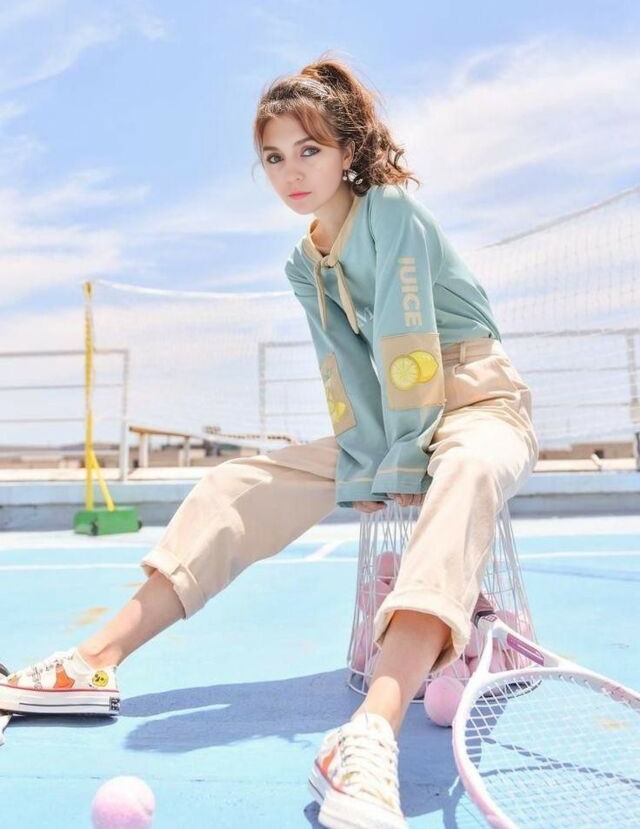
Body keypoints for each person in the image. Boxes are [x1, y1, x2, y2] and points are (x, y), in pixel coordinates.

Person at [0, 53, 539, 829]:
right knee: (237, 485)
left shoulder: (391, 212)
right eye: (275, 157)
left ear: (348, 151)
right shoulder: (302, 260)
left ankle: (368, 734)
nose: (292, 172)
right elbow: (344, 370)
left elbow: (408, 342)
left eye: (309, 150)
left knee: (467, 471)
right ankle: (93, 661)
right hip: (393, 413)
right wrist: (367, 458)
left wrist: (401, 454)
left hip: (476, 401)